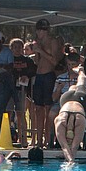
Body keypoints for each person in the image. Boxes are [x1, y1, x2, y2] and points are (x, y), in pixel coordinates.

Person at [30, 18, 58, 148]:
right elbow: (36, 61)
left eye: (43, 30)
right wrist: (37, 51)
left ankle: (48, 139)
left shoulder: (52, 42)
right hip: (39, 76)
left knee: (48, 109)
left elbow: (54, 61)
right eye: (39, 30)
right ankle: (39, 140)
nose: (40, 32)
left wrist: (41, 51)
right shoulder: (38, 43)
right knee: (38, 109)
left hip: (48, 76)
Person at [54, 65, 86, 163]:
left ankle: (81, 71)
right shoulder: (60, 121)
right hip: (68, 101)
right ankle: (81, 70)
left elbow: (68, 148)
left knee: (81, 83)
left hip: (76, 103)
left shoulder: (61, 121)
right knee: (81, 83)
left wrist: (70, 162)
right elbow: (70, 148)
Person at [9, 37, 36, 147]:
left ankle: (23, 138)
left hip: (23, 90)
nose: (17, 50)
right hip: (10, 90)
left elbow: (33, 71)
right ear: (11, 48)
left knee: (21, 114)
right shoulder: (9, 59)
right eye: (15, 47)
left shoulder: (28, 60)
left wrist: (26, 76)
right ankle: (10, 137)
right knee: (9, 113)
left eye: (19, 47)